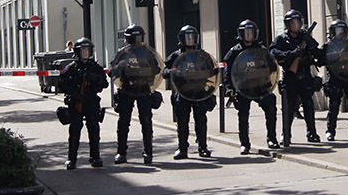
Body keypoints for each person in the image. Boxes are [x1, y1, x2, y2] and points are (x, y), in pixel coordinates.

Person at [223, 19, 280, 154]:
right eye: (246, 33)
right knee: (243, 115)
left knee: (271, 108)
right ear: (241, 34)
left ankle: (272, 138)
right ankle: (245, 143)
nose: (249, 35)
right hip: (243, 87)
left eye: (251, 32)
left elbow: (271, 66)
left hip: (260, 86)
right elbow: (227, 72)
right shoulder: (234, 51)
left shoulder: (261, 49)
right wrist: (230, 89)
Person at [269, 9, 324, 144]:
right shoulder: (282, 39)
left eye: (298, 22)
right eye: (293, 23)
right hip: (290, 76)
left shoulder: (305, 37)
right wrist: (291, 54)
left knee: (308, 105)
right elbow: (273, 52)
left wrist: (311, 46)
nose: (296, 25)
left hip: (305, 75)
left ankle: (312, 133)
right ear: (288, 25)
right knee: (289, 107)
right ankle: (286, 134)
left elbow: (319, 55)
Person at [109, 24, 161, 164]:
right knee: (123, 122)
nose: (137, 41)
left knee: (146, 122)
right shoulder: (123, 53)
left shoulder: (147, 53)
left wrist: (144, 70)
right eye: (135, 38)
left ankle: (148, 153)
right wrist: (121, 67)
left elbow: (156, 69)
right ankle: (121, 153)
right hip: (126, 90)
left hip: (143, 90)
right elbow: (112, 71)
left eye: (139, 37)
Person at [164, 25, 214, 159]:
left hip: (199, 92)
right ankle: (182, 149)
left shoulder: (202, 55)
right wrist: (169, 72)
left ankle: (203, 147)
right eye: (188, 37)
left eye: (192, 37)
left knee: (201, 120)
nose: (190, 40)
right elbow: (164, 68)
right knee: (182, 121)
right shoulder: (176, 55)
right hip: (183, 92)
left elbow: (212, 70)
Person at [58, 37, 108, 170]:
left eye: (87, 50)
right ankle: (72, 159)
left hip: (91, 101)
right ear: (77, 52)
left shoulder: (95, 67)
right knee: (75, 130)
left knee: (94, 129)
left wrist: (95, 78)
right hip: (76, 103)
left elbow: (105, 83)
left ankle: (95, 157)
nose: (85, 53)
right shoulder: (72, 68)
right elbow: (62, 83)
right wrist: (75, 95)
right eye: (83, 51)